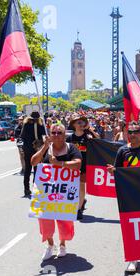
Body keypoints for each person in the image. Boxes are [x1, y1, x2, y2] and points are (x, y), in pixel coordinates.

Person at [107, 123, 140, 274]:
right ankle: (133, 258)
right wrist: (112, 170)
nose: (132, 134)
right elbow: (116, 171)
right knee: (131, 227)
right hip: (127, 195)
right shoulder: (122, 150)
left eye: (135, 132)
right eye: (130, 132)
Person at [31, 124, 82, 261]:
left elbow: (77, 164)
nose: (56, 135)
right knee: (45, 219)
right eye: (53, 132)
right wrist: (44, 147)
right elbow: (33, 162)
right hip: (46, 191)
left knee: (64, 221)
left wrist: (59, 164)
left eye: (59, 133)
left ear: (65, 134)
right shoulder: (47, 149)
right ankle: (50, 245)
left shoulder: (71, 148)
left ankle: (62, 245)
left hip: (64, 192)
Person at [67, 114, 100, 220]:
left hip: (84, 166)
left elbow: (99, 140)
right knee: (72, 187)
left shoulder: (88, 136)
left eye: (83, 122)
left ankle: (79, 209)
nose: (81, 124)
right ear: (74, 124)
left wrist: (91, 131)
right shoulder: (69, 138)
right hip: (72, 166)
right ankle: (79, 202)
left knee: (81, 187)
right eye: (79, 122)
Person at [21, 111, 47, 198]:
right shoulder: (40, 125)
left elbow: (22, 136)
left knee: (27, 170)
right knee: (37, 170)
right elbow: (44, 136)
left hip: (27, 149)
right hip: (37, 150)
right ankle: (36, 188)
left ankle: (26, 189)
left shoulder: (26, 125)